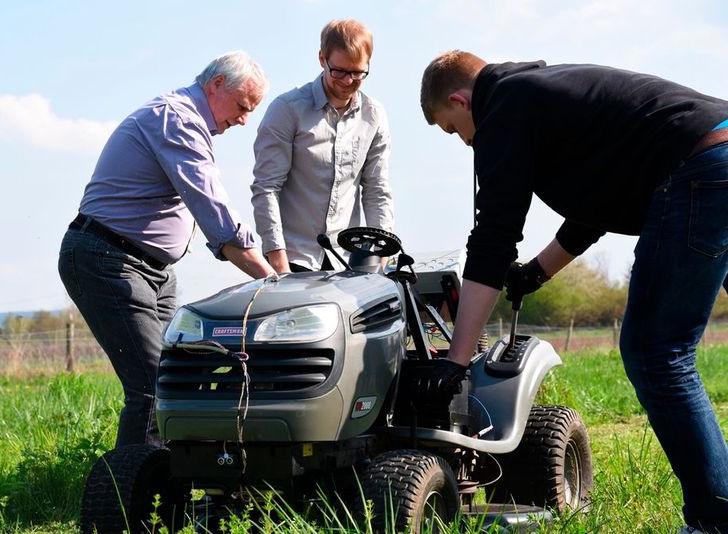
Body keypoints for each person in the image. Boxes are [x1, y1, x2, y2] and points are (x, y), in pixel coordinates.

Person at [419, 50, 728, 533]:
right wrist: (534, 275)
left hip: (701, 166)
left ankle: (716, 520)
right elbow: (595, 210)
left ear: (459, 100)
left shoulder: (504, 108)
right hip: (718, 149)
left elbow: (495, 234)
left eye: (452, 129)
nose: (464, 142)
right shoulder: (547, 98)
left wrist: (456, 360)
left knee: (656, 353)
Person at [58, 51, 276, 449]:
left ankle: (172, 484)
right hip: (109, 259)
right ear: (217, 86)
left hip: (152, 270)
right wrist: (274, 283)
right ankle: (130, 501)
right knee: (154, 384)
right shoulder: (177, 119)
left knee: (175, 379)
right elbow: (218, 218)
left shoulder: (187, 121)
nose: (244, 119)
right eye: (243, 107)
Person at [251, 19, 394, 273]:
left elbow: (376, 189)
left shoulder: (374, 116)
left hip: (349, 261)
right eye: (339, 71)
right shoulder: (287, 110)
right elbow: (266, 188)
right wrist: (280, 266)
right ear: (322, 59)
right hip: (294, 257)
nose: (348, 81)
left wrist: (381, 259)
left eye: (358, 73)